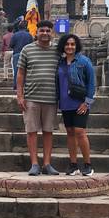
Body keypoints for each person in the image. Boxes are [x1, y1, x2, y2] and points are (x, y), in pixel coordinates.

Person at [17, 20, 60, 176]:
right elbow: (21, 73)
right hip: (31, 97)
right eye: (42, 31)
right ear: (36, 32)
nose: (45, 33)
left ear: (52, 33)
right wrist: (20, 96)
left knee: (48, 131)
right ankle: (34, 163)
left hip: (51, 97)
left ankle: (47, 163)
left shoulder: (57, 50)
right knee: (32, 131)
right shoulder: (27, 50)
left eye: (48, 31)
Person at [56, 34, 96, 176]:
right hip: (66, 103)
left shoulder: (84, 61)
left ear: (76, 46)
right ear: (63, 46)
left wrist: (87, 102)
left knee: (80, 132)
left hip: (80, 103)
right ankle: (73, 164)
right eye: (67, 44)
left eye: (72, 44)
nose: (70, 47)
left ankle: (88, 164)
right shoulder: (60, 62)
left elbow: (91, 83)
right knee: (70, 133)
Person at [9, 21, 33, 89]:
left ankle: (16, 85)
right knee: (27, 71)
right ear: (25, 27)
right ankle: (26, 85)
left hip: (17, 53)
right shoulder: (29, 35)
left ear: (18, 27)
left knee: (16, 70)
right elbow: (32, 44)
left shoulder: (15, 35)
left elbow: (11, 45)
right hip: (28, 54)